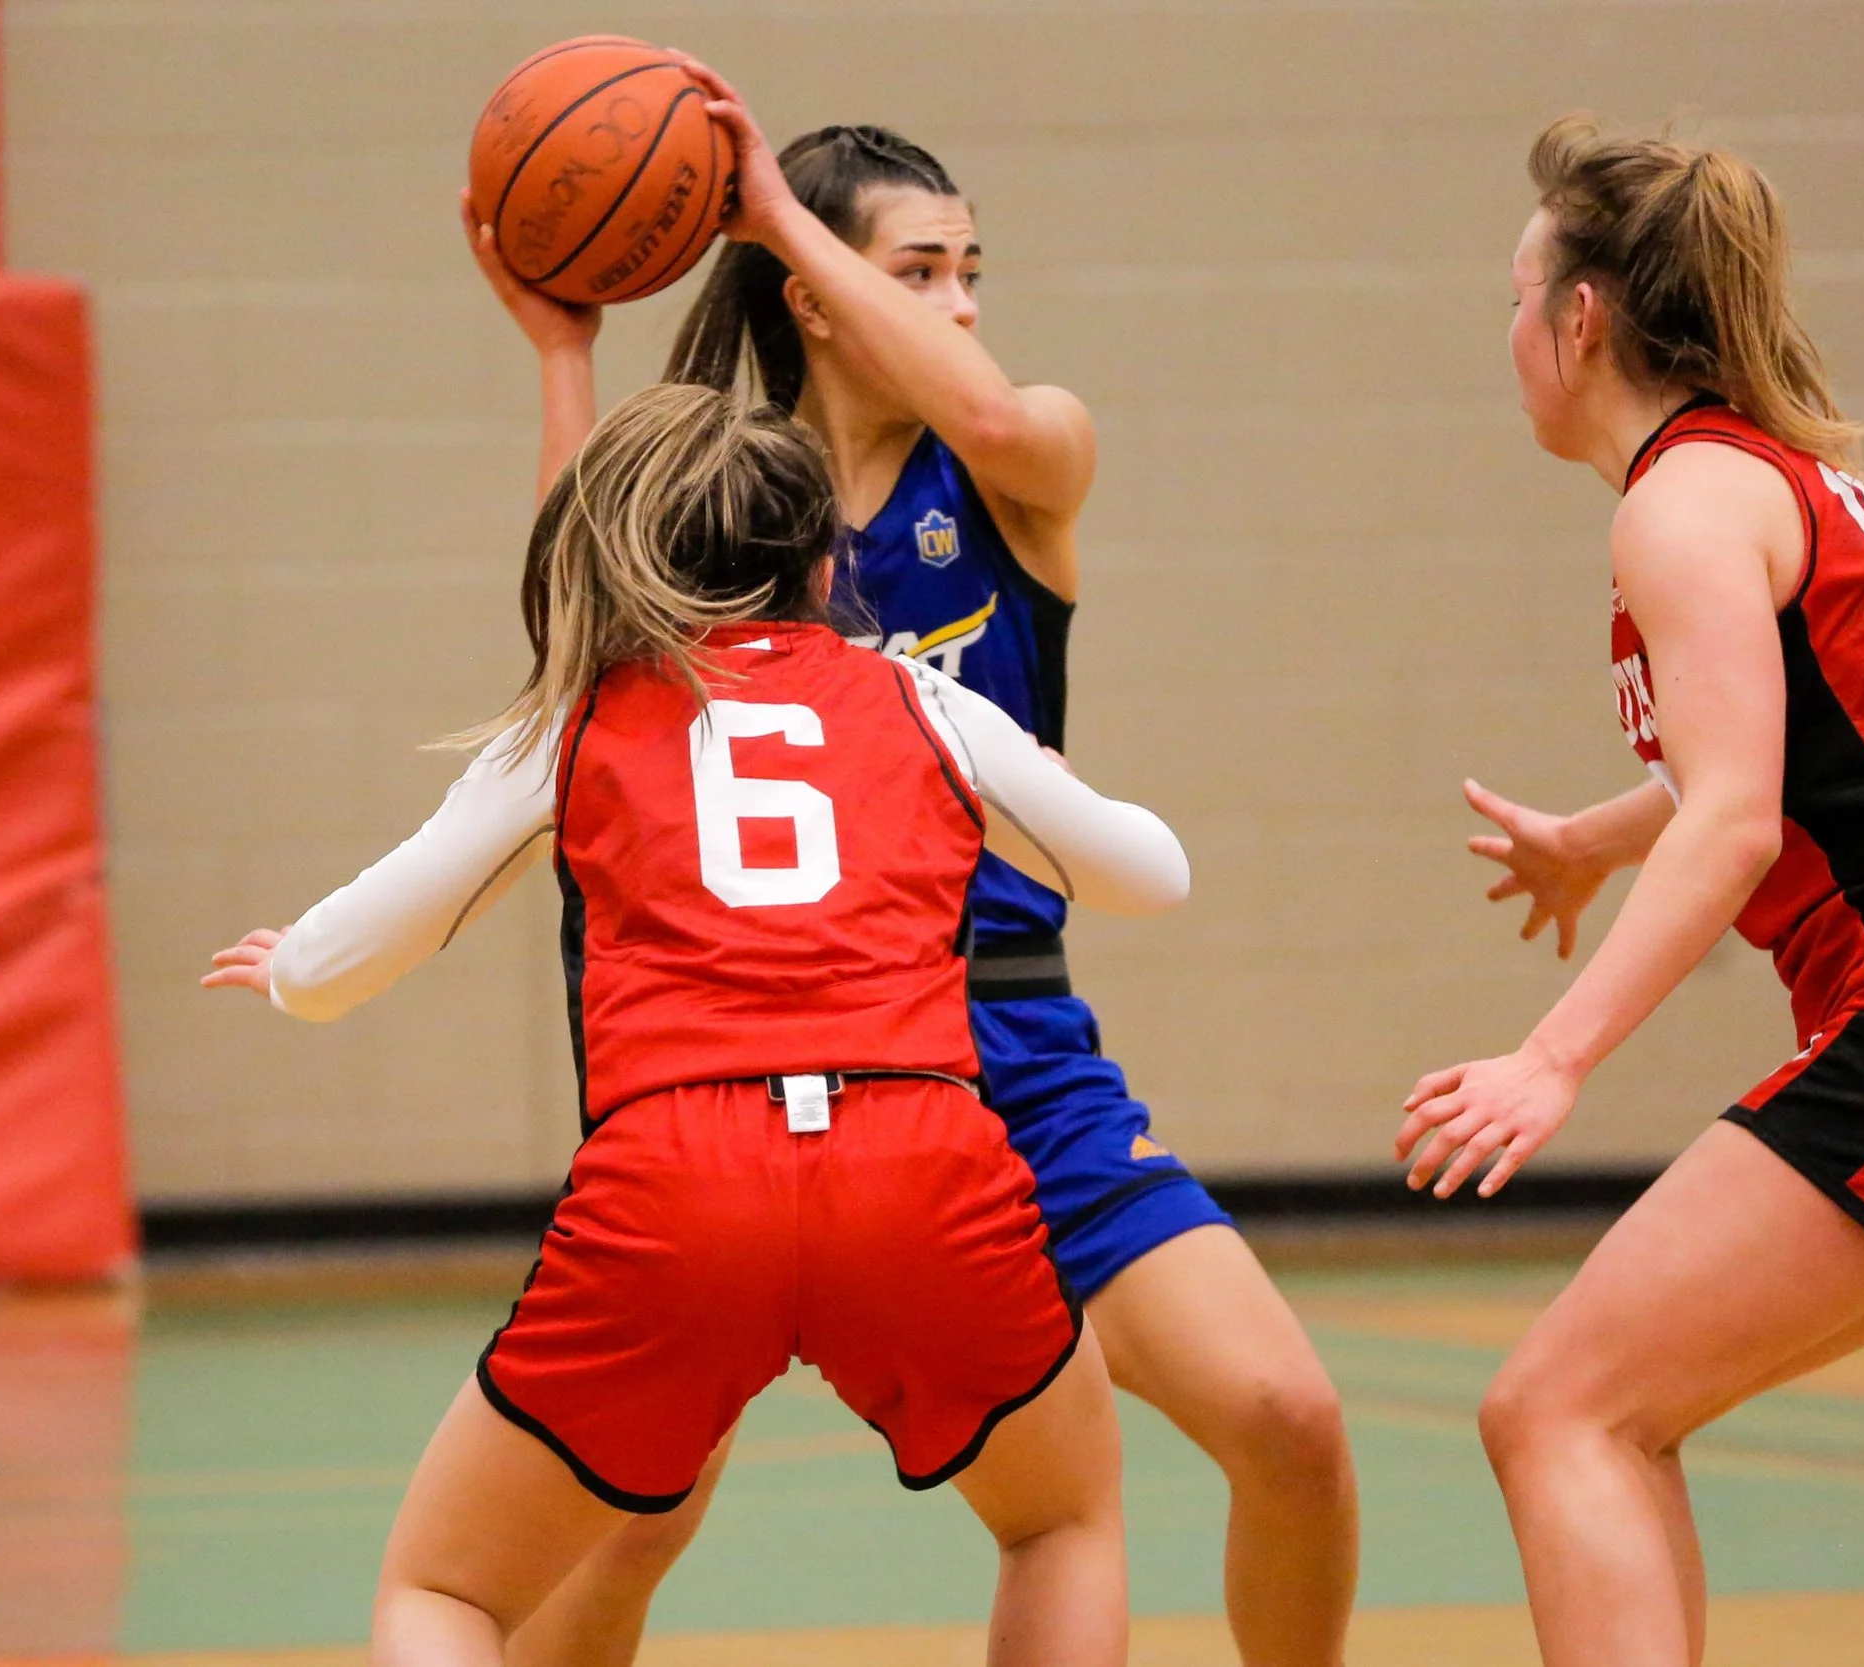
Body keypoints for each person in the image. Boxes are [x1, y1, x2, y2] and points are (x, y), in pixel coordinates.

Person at [461, 60, 1356, 1667]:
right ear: (811, 298)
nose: (958, 307)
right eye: (920, 272)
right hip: (759, 1047)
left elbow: (1003, 410)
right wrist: (563, 355)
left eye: (971, 274)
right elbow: (578, 631)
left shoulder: (1021, 458)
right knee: (633, 1521)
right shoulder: (713, 496)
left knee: (1287, 1413)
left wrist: (776, 209)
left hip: (1009, 1040)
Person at [204, 383, 1198, 1667]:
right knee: (1061, 1518)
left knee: (446, 1592)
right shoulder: (920, 702)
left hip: (676, 1176)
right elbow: (1152, 875)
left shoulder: (578, 718)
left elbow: (348, 958)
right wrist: (1044, 782)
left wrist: (293, 972)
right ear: (829, 563)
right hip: (917, 1153)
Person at [1392, 119, 1864, 1667]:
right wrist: (1596, 840)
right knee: (1616, 1412)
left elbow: (1740, 815)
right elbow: (1804, 758)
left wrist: (1555, 1055)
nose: (1510, 334)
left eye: (1516, 294)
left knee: (1553, 1406)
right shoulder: (1753, 477)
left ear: (1580, 319)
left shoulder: (1679, 502)